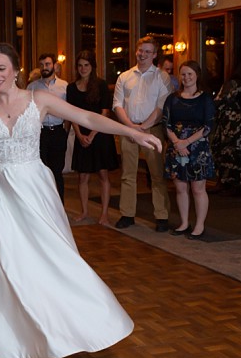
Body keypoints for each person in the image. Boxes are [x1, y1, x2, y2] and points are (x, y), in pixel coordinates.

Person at [0, 27, 160, 358]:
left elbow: (85, 116)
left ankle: (70, 323)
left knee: (49, 258)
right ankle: (4, 336)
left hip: (35, 190)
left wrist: (132, 133)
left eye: (2, 69)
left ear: (15, 71)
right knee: (4, 260)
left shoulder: (38, 100)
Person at [112, 36, 173, 232]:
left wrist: (144, 127)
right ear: (136, 51)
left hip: (152, 130)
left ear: (155, 54)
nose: (143, 54)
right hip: (129, 129)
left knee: (157, 174)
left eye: (148, 51)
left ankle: (162, 216)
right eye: (141, 50)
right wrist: (131, 126)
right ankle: (127, 214)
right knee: (127, 175)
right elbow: (117, 105)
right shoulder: (124, 76)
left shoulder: (161, 77)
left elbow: (162, 106)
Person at [162, 61, 216, 240]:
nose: (186, 78)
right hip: (176, 147)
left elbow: (208, 126)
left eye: (190, 74)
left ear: (197, 76)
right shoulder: (172, 98)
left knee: (198, 188)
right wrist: (177, 142)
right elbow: (166, 123)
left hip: (197, 148)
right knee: (180, 188)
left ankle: (199, 225)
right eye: (183, 74)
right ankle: (184, 222)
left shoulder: (206, 98)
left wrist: (187, 142)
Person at [66, 50, 118, 226]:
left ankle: (104, 214)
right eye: (80, 65)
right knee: (83, 177)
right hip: (82, 136)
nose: (83, 68)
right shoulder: (71, 88)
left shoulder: (101, 85)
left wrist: (92, 134)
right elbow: (71, 113)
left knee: (103, 174)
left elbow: (105, 112)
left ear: (92, 67)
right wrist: (80, 135)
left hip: (100, 135)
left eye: (86, 65)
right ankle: (85, 211)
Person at [210, 63, 241, 196]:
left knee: (224, 152)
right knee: (240, 153)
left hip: (228, 123)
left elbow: (220, 101)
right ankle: (239, 184)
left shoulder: (233, 83)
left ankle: (225, 182)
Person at [27, 52, 70, 202]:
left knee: (57, 172)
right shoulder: (32, 87)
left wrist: (67, 130)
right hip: (40, 133)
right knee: (41, 171)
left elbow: (69, 110)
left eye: (47, 64)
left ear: (55, 66)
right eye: (42, 65)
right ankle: (44, 206)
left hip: (58, 132)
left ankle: (60, 207)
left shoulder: (64, 86)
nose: (44, 68)